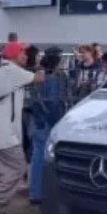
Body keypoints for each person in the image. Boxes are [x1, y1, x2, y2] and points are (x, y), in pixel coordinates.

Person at [0, 41, 41, 214]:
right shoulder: (13, 71)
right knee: (18, 168)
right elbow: (39, 78)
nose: (26, 56)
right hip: (3, 135)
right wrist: (40, 65)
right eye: (23, 52)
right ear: (13, 55)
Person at [27, 47, 68, 204]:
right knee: (43, 158)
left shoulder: (37, 74)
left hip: (37, 121)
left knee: (37, 157)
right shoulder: (53, 78)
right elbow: (53, 103)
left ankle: (35, 192)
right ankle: (40, 192)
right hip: (46, 122)